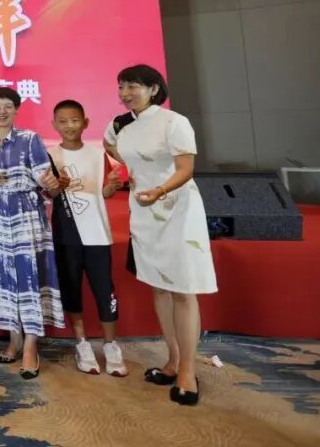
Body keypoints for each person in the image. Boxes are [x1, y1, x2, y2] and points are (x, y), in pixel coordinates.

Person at [103, 64, 217, 406]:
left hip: (177, 210)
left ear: (154, 89)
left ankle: (187, 371)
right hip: (143, 210)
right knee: (158, 285)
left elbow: (186, 169)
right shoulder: (120, 124)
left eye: (133, 86)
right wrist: (132, 175)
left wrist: (160, 189)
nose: (125, 93)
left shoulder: (174, 122)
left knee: (182, 289)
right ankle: (172, 360)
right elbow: (110, 147)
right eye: (121, 86)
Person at [0, 87, 63, 380]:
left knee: (27, 276)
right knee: (2, 277)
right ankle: (14, 340)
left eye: (7, 106)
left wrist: (50, 182)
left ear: (16, 109)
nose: (1, 111)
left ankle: (31, 346)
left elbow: (45, 179)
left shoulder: (29, 139)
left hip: (25, 214)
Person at [47, 99, 127, 377]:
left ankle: (111, 345)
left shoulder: (97, 154)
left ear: (85, 122)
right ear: (54, 125)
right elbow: (50, 194)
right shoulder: (50, 155)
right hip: (66, 235)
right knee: (72, 290)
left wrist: (112, 186)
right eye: (63, 122)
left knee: (105, 291)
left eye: (74, 120)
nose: (69, 126)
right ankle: (81, 343)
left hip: (97, 233)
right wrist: (57, 186)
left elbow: (104, 193)